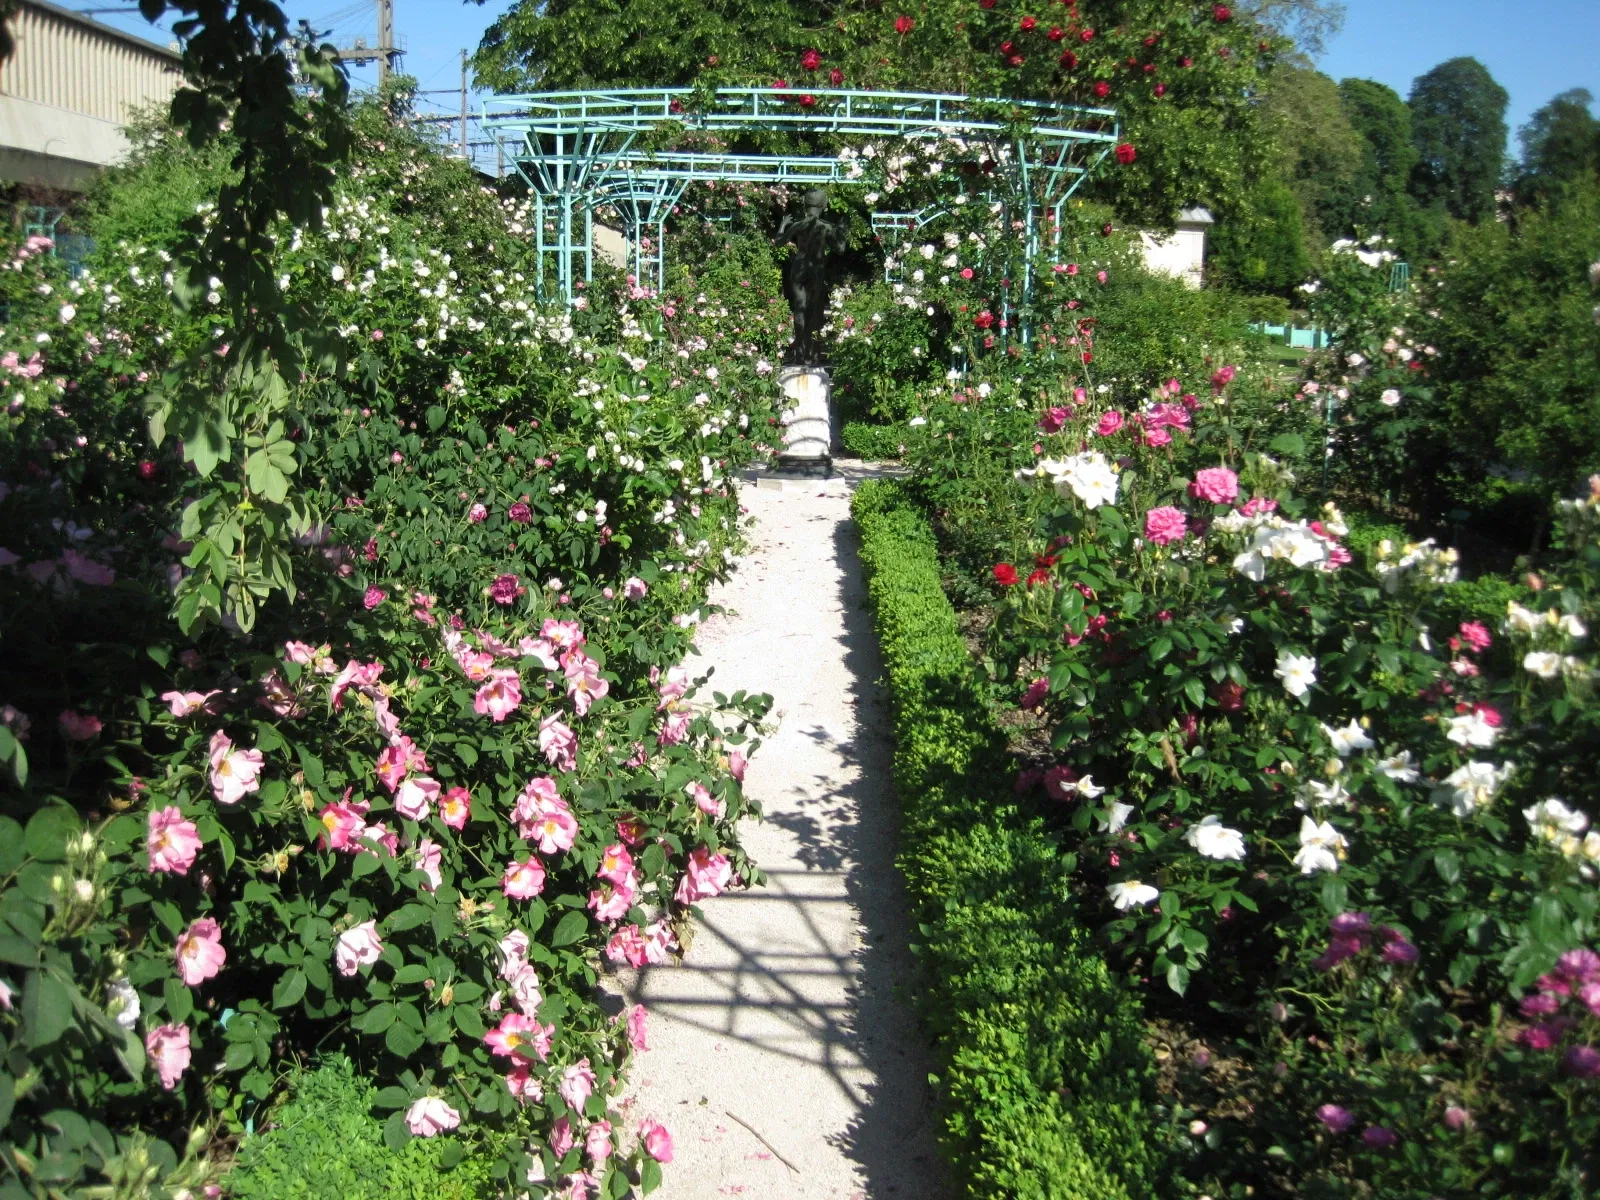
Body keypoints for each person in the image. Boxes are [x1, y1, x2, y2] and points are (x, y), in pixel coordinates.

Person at [774, 189, 842, 366]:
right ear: (823, 205)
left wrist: (783, 225)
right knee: (812, 310)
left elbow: (779, 242)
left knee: (799, 308)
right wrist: (841, 230)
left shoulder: (798, 225)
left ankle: (800, 352)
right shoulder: (825, 227)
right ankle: (810, 351)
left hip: (799, 267)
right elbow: (840, 248)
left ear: (805, 205)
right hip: (816, 268)